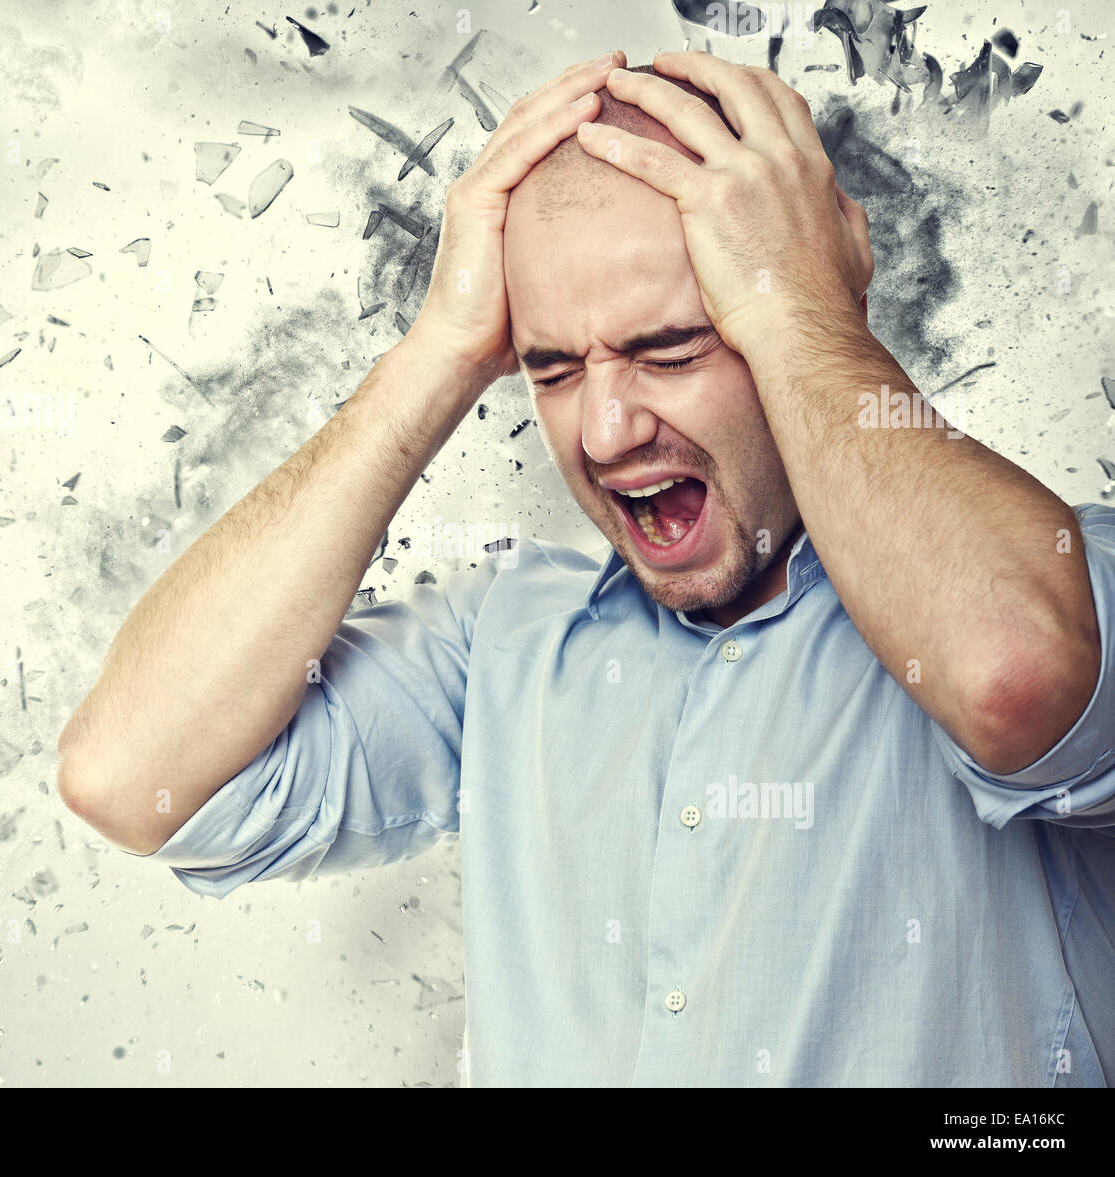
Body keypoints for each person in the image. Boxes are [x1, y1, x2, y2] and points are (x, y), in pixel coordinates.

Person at [57, 49, 1115, 1087]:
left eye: (670, 350)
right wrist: (441, 348)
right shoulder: (500, 648)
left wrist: (806, 310)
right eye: (551, 368)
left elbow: (1011, 675)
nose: (604, 431)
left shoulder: (1068, 575)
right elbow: (129, 773)